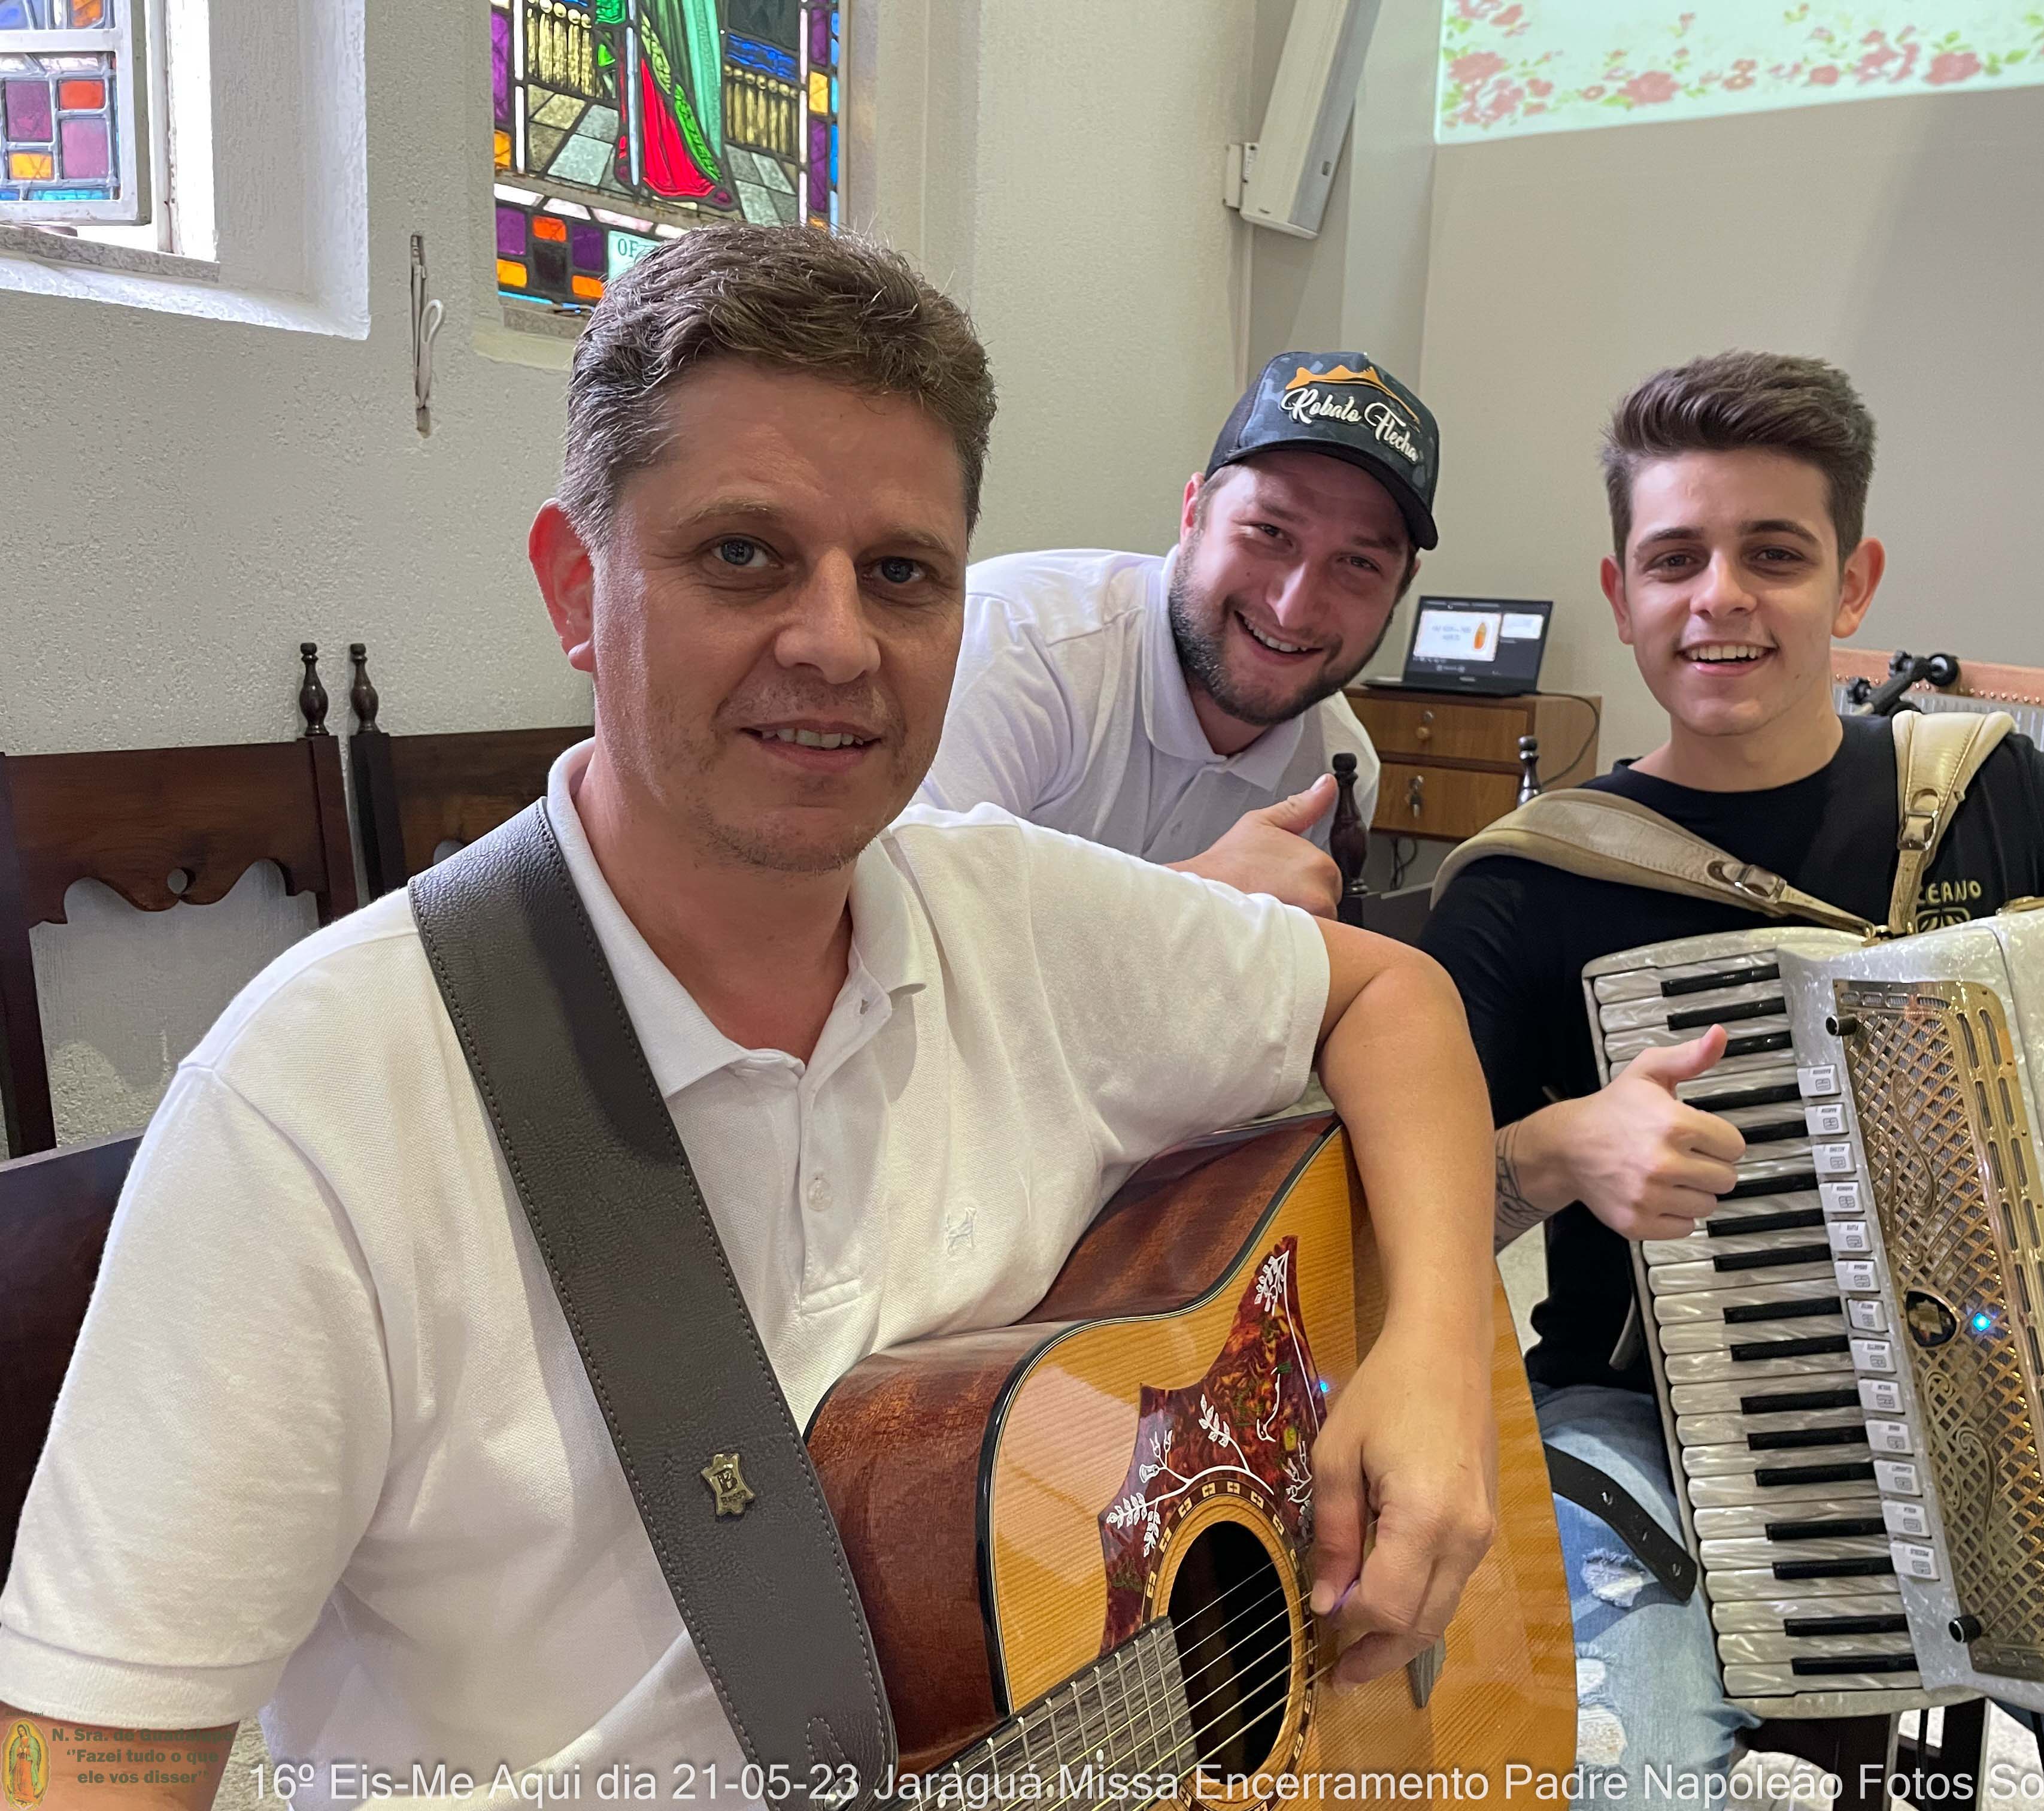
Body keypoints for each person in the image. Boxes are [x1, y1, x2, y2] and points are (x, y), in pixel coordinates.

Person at [0, 227, 1501, 1810]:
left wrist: (1434, 1363)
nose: (837, 643)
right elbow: (86, 1750)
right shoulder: (317, 1098)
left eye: (902, 573)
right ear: (576, 589)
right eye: (742, 554)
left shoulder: (1026, 917)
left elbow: (1392, 996)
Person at [1421, 350, 2044, 1806]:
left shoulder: (1995, 795)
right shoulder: (1525, 888)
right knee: (1618, 1779)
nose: (1720, 598)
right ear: (1622, 592)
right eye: (1676, 559)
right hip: (1660, 1430)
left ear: (1855, 582)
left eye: (1775, 554)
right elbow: (1403, 1231)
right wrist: (1559, 1151)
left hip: (2042, 1413)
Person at [916, 350, 1440, 916]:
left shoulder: (1335, 767)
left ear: (1402, 585)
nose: (1292, 611)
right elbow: (903, 927)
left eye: (1359, 564)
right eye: (1269, 531)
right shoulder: (1011, 648)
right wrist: (1192, 901)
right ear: (1193, 514)